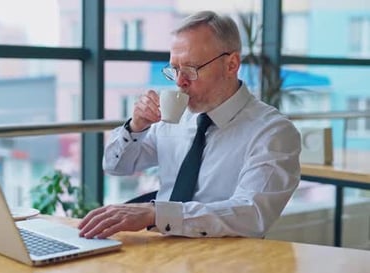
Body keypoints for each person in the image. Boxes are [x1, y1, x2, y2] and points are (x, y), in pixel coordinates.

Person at [78, 11, 301, 239]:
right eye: (175, 69)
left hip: (226, 262)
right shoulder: (175, 116)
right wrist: (136, 127)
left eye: (191, 69)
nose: (179, 81)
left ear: (231, 64)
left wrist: (156, 213)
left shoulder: (272, 132)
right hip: (160, 251)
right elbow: (116, 166)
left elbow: (251, 214)